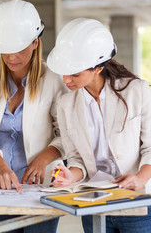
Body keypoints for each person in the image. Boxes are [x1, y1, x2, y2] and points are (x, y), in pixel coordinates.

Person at [0, 0, 66, 232]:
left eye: (20, 48)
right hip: (2, 185)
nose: (12, 56)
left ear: (35, 42)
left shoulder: (54, 79)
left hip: (42, 186)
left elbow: (67, 134)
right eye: (6, 49)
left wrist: (43, 159)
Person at [47, 18, 151, 233]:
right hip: (93, 203)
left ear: (98, 68)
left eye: (75, 74)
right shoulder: (66, 104)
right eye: (64, 72)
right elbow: (76, 158)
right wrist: (69, 175)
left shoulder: (137, 91)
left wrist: (139, 178)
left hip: (137, 201)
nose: (66, 80)